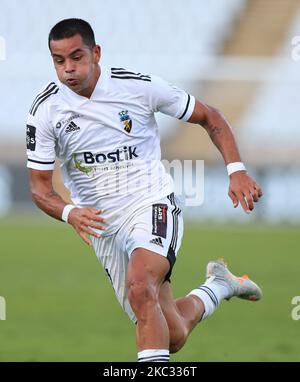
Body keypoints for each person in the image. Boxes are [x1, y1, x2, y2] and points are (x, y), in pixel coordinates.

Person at [26, 18, 263, 362]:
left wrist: (237, 170)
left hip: (150, 202)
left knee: (140, 285)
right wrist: (69, 212)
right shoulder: (45, 111)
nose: (68, 70)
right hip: (101, 225)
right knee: (173, 335)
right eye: (59, 61)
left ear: (96, 53)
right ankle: (220, 285)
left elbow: (211, 117)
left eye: (76, 57)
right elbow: (39, 188)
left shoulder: (137, 88)